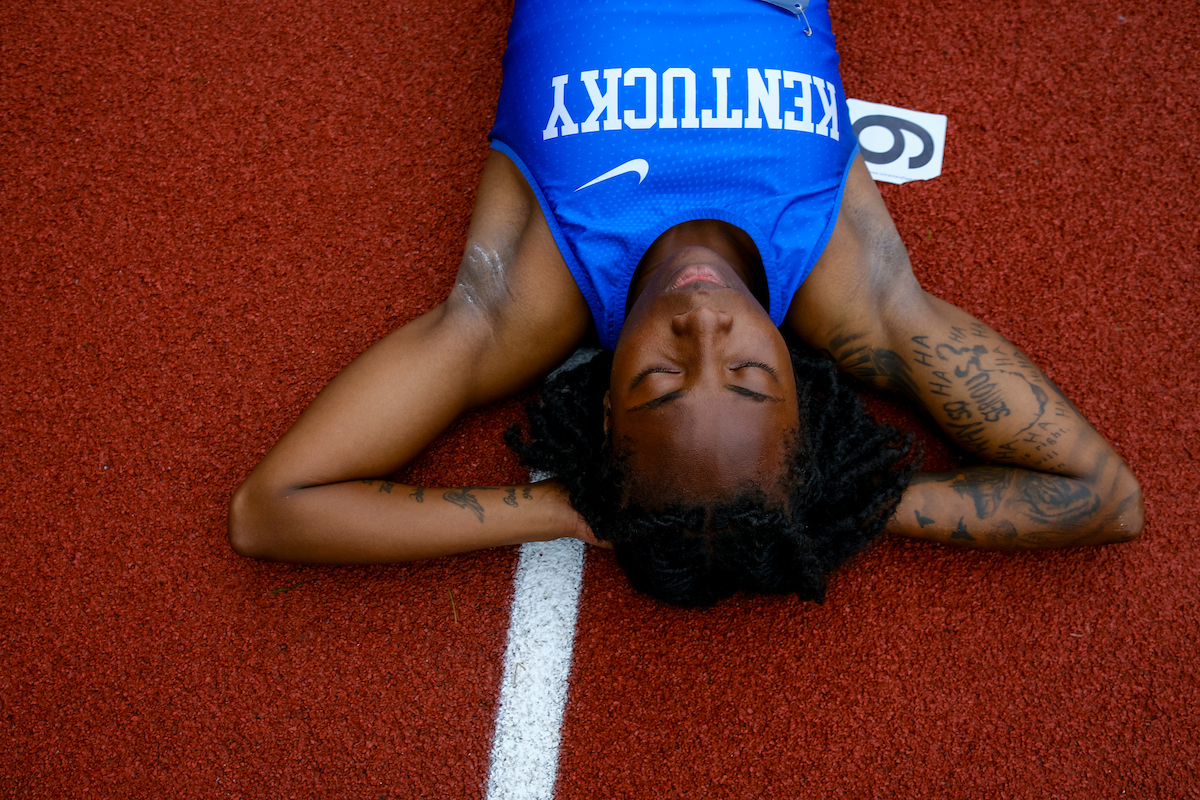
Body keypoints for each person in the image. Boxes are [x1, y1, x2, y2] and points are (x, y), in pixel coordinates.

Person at [228, 0, 1143, 606]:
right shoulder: (850, 282)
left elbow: (273, 508)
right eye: (747, 372)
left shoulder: (527, 298)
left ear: (602, 399)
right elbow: (1101, 498)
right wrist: (822, 504)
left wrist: (563, 512)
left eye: (662, 379)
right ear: (804, 394)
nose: (703, 325)